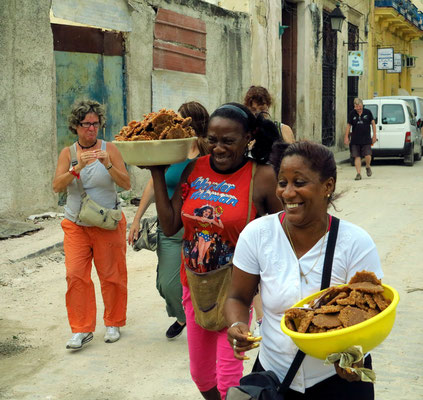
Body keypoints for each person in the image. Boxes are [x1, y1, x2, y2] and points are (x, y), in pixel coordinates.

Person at [225, 141, 383, 399]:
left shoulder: (355, 243)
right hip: (274, 379)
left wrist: (352, 356)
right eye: (282, 182)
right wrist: (238, 323)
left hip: (336, 380)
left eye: (299, 183)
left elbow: (372, 315)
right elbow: (237, 297)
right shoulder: (257, 235)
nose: (287, 193)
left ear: (327, 186)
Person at [148, 102, 283, 399]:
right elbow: (170, 226)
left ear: (248, 137)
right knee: (200, 375)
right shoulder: (194, 169)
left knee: (227, 378)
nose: (218, 148)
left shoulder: (262, 177)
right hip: (194, 286)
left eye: (228, 141)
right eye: (213, 139)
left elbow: (283, 233)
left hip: (235, 292)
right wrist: (156, 172)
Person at [52, 100, 131, 350]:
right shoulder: (68, 153)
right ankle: (81, 329)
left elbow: (126, 184)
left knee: (112, 275)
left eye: (96, 124)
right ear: (76, 126)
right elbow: (57, 186)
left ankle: (113, 322)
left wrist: (107, 163)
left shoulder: (110, 149)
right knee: (75, 276)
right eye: (86, 124)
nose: (92, 128)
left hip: (107, 222)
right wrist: (78, 167)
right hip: (76, 223)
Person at [128, 101, 209, 340]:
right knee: (167, 285)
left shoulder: (208, 153)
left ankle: (202, 324)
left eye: (181, 121)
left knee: (205, 283)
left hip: (200, 230)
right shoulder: (171, 151)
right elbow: (155, 183)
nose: (176, 126)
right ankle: (183, 316)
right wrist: (136, 219)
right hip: (171, 228)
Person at [344, 98, 377, 181]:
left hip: (366, 139)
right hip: (355, 139)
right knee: (357, 156)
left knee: (368, 155)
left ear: (362, 105)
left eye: (359, 106)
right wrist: (346, 137)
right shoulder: (352, 114)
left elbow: (373, 123)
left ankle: (367, 166)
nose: (358, 108)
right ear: (354, 107)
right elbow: (348, 126)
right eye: (356, 106)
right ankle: (358, 174)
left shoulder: (368, 112)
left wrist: (374, 136)